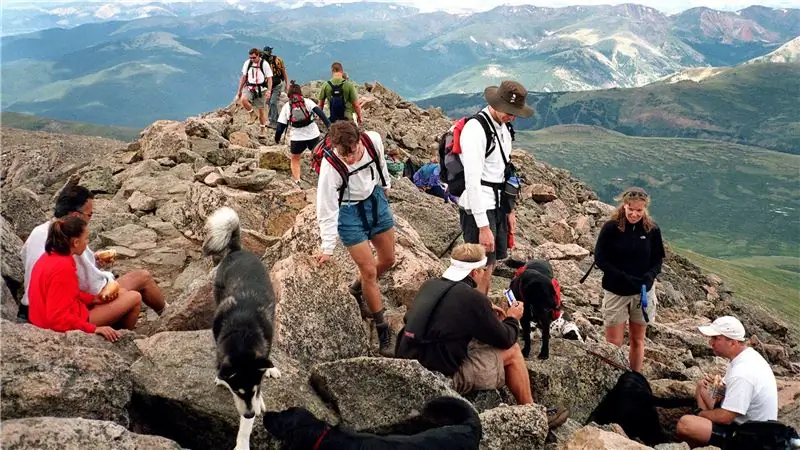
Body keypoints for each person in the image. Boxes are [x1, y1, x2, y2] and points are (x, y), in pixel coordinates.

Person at [395, 244, 569, 428]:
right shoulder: (472, 299)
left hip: (408, 365)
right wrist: (512, 318)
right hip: (437, 379)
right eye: (483, 269)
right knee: (513, 350)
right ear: (474, 273)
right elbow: (505, 338)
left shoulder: (429, 286)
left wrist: (483, 311)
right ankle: (534, 414)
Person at [19, 185, 166, 324]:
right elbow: (93, 287)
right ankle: (122, 339)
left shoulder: (40, 231)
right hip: (56, 316)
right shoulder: (68, 247)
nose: (90, 219)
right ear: (76, 215)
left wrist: (93, 261)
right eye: (90, 214)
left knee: (133, 285)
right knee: (134, 294)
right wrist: (108, 282)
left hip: (30, 306)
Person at [316, 121, 395, 356]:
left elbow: (381, 164)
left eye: (352, 151)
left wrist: (385, 187)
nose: (349, 158)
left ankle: (357, 288)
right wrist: (327, 246)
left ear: (360, 140)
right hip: (348, 213)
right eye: (343, 153)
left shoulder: (373, 141)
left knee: (389, 260)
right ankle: (382, 329)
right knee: (370, 271)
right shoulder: (331, 165)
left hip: (375, 200)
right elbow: (326, 207)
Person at [458, 80, 533, 277]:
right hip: (479, 207)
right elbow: (472, 182)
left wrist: (509, 210)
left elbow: (504, 171)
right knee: (479, 267)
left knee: (490, 265)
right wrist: (483, 226)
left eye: (515, 112)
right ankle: (474, 305)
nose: (512, 117)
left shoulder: (503, 127)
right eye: (509, 111)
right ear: (496, 103)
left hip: (498, 204)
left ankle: (482, 304)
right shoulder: (476, 129)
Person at [27, 216, 143, 341]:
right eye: (86, 239)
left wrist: (93, 300)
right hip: (53, 326)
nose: (87, 242)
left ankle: (114, 331)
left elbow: (68, 293)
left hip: (43, 317)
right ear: (75, 242)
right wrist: (92, 329)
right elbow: (57, 318)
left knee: (122, 293)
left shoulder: (50, 256)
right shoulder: (63, 268)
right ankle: (121, 341)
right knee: (135, 298)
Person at [675, 316, 778, 447]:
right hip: (744, 423)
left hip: (749, 436)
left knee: (685, 424)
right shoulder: (744, 357)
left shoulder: (743, 373)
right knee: (703, 386)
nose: (710, 343)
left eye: (716, 338)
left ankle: (701, 437)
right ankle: (702, 438)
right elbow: (724, 395)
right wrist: (716, 387)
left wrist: (700, 414)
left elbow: (726, 417)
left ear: (733, 342)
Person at [593, 186, 665, 373]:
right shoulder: (611, 228)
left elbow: (658, 259)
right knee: (614, 343)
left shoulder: (652, 229)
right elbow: (600, 259)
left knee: (638, 340)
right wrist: (623, 277)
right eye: (630, 209)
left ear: (645, 209)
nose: (634, 214)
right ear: (623, 206)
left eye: (639, 210)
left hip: (642, 292)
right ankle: (613, 380)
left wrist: (649, 277)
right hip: (616, 291)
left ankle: (636, 377)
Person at [275, 81, 331, 185]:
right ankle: (323, 177)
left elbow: (280, 126)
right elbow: (321, 114)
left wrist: (277, 138)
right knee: (317, 155)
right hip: (313, 134)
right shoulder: (308, 102)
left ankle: (297, 181)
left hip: (297, 137)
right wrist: (329, 127)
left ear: (289, 95)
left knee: (295, 159)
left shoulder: (287, 106)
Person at [236, 48, 273, 136]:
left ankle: (263, 129)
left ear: (258, 56)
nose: (252, 59)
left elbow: (269, 78)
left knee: (261, 111)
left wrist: (269, 90)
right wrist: (239, 90)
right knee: (243, 100)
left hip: (261, 89)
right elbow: (244, 77)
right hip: (250, 87)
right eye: (250, 57)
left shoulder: (264, 64)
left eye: (254, 57)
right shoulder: (247, 63)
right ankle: (252, 114)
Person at [261, 46, 289, 128]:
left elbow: (284, 72)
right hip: (268, 86)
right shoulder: (262, 62)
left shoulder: (277, 61)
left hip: (277, 85)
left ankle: (274, 122)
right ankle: (275, 120)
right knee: (268, 102)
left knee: (273, 102)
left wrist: (287, 85)